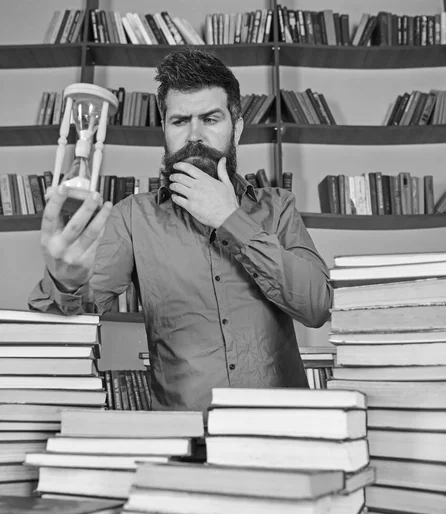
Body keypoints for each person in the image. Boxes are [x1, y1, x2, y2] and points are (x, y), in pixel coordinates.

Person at [29, 48, 333, 412]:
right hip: (182, 443)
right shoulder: (133, 217)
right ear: (165, 130)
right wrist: (65, 281)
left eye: (210, 119)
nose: (194, 136)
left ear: (235, 128)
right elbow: (71, 326)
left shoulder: (278, 206)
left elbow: (317, 307)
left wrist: (229, 219)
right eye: (179, 121)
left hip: (282, 434)